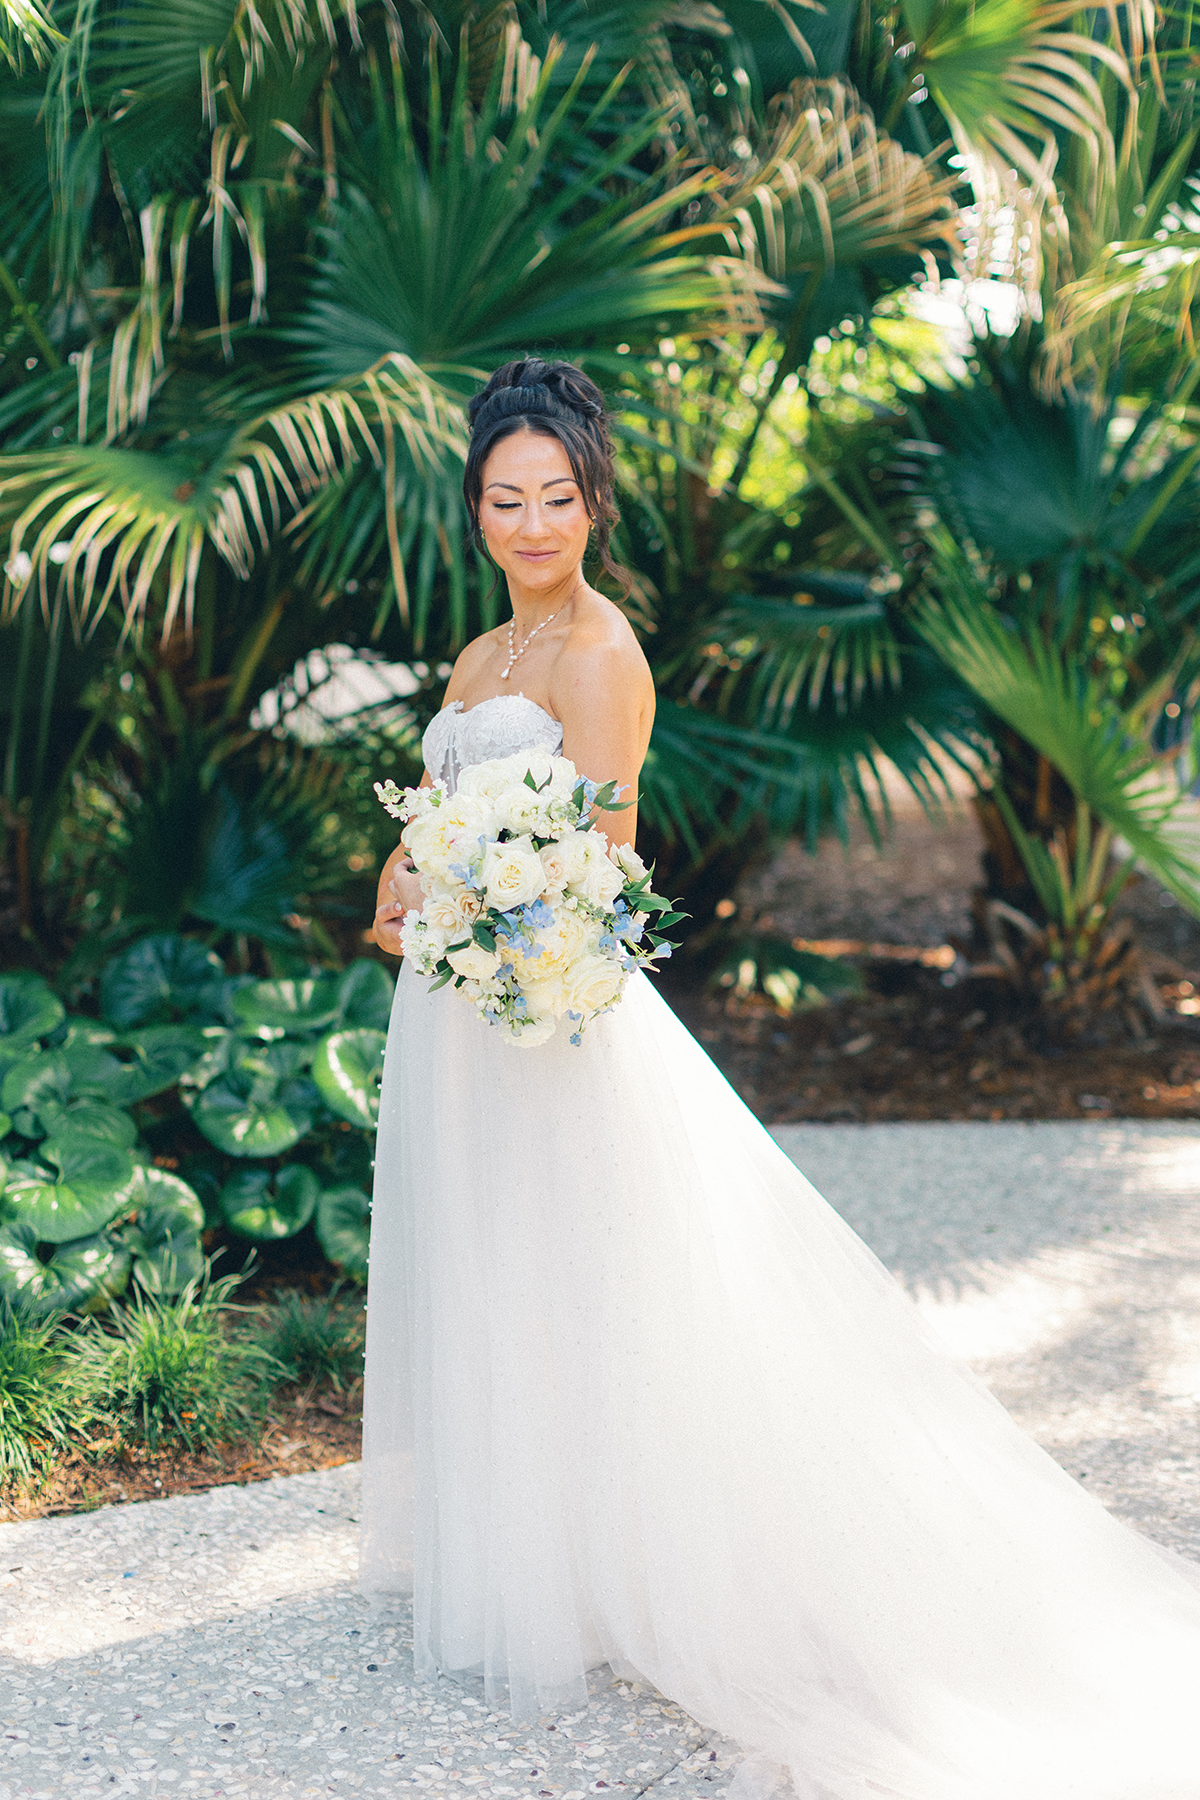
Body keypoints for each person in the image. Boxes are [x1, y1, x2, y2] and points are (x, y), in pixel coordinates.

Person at [361, 358, 1200, 1800]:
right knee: (504, 1279)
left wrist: (502, 916)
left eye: (556, 496)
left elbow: (609, 861)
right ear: (476, 509)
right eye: (507, 499)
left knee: (613, 1288)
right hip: (453, 1007)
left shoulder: (604, 654)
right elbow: (431, 827)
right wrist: (416, 892)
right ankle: (540, 1560)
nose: (533, 524)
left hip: (550, 1008)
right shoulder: (475, 664)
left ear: (593, 500)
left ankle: (676, 1569)